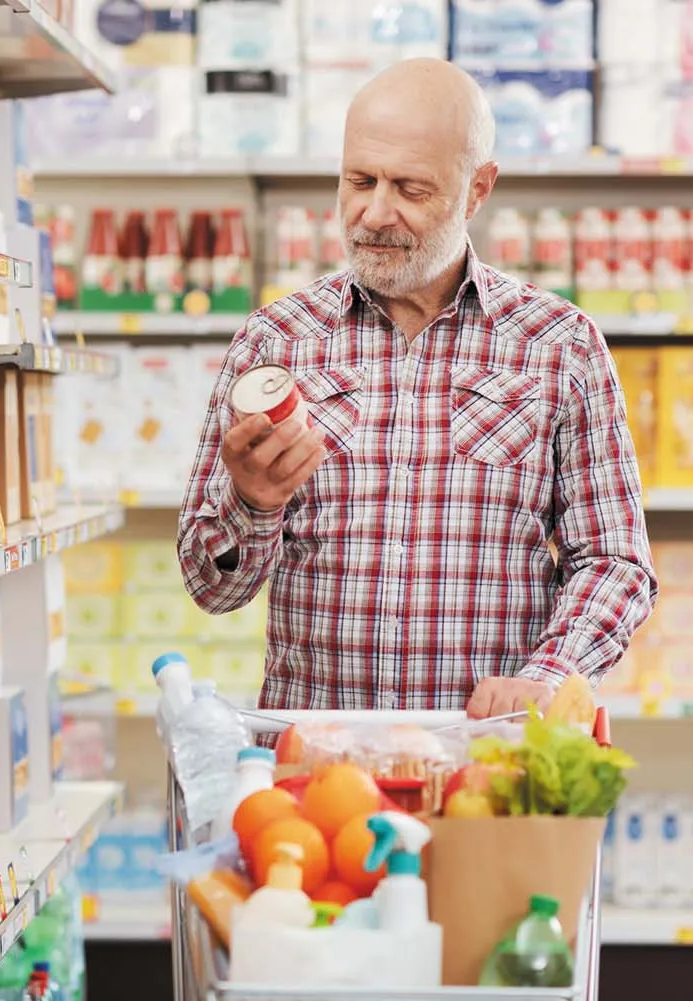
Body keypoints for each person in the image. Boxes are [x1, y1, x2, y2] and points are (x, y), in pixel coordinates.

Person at [176, 58, 658, 719]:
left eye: (410, 188)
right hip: (317, 770)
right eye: (359, 180)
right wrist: (251, 506)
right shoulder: (274, 343)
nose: (375, 212)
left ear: (477, 189)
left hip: (484, 765)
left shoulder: (560, 344)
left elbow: (615, 560)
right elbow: (211, 589)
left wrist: (548, 675)